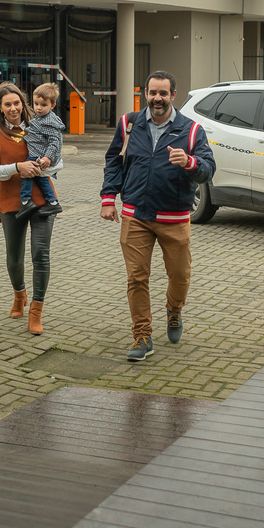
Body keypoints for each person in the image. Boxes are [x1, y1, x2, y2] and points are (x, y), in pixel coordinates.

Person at [101, 70, 215, 361]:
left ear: (173, 95)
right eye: (152, 93)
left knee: (180, 275)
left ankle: (174, 310)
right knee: (137, 277)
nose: (157, 98)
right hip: (135, 214)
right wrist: (108, 198)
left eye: (163, 93)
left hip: (174, 217)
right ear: (146, 94)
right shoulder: (129, 123)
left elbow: (208, 168)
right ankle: (142, 336)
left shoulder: (192, 130)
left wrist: (190, 162)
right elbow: (113, 160)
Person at [0, 82, 60, 336]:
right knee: (14, 258)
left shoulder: (38, 124)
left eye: (17, 103)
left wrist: (45, 164)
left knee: (41, 254)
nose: (14, 108)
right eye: (8, 104)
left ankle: (36, 310)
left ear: (23, 103)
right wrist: (18, 167)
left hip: (41, 200)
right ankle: (19, 294)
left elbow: (58, 160)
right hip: (10, 202)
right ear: (0, 107)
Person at [16, 82, 65, 220]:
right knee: (42, 178)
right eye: (36, 104)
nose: (38, 108)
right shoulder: (40, 117)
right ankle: (53, 202)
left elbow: (55, 142)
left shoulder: (49, 121)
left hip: (39, 155)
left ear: (52, 105)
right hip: (38, 153)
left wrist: (47, 158)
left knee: (27, 173)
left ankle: (25, 201)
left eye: (43, 105)